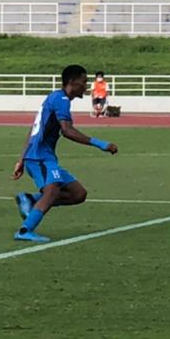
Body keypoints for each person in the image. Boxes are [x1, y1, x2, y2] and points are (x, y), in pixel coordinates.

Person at [12, 65, 119, 243]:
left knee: (78, 194)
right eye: (83, 82)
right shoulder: (61, 99)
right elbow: (67, 131)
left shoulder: (55, 97)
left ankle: (31, 199)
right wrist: (101, 144)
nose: (86, 86)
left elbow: (33, 129)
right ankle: (25, 230)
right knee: (52, 191)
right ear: (72, 82)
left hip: (43, 156)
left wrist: (21, 159)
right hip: (39, 157)